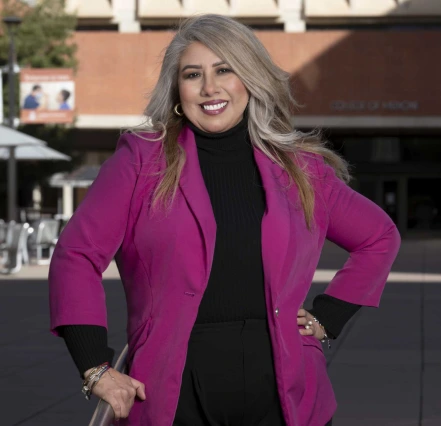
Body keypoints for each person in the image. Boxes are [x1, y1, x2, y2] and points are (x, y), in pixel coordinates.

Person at [49, 14, 400, 426]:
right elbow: (76, 255)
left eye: (224, 70)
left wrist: (328, 316)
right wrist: (95, 366)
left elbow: (379, 236)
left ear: (249, 79)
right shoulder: (141, 161)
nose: (209, 88)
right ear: (177, 89)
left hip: (285, 387)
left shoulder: (301, 169)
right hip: (173, 388)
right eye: (193, 74)